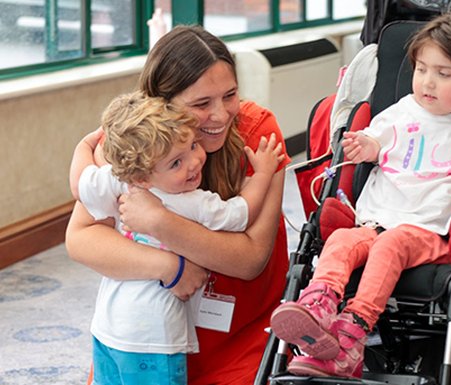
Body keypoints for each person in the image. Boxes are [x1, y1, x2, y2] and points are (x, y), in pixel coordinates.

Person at [269, 7, 451, 378]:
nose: (427, 82)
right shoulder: (403, 111)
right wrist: (365, 146)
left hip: (429, 234)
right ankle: (319, 306)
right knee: (340, 242)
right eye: (421, 69)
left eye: (443, 74)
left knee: (390, 244)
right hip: (375, 221)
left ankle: (352, 333)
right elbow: (374, 140)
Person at [65, 25, 292, 385]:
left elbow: (251, 260)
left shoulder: (258, 132)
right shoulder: (137, 138)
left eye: (230, 95)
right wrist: (170, 266)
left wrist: (159, 222)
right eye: (201, 104)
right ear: (163, 104)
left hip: (242, 329)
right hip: (148, 334)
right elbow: (81, 239)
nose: (220, 115)